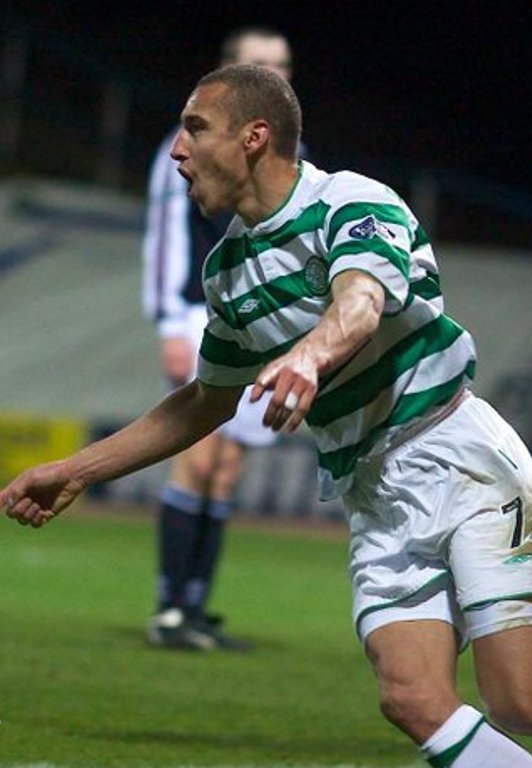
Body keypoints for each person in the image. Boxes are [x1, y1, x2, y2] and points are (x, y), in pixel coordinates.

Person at [3, 64, 532, 766]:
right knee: (411, 699)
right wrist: (77, 470)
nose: (177, 150)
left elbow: (360, 301)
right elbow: (206, 399)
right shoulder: (227, 273)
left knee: (523, 703)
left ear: (254, 136)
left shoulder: (350, 203)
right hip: (374, 495)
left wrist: (310, 357)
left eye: (195, 128)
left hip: (461, 462)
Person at [141, 26, 296, 650]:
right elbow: (165, 236)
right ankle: (169, 609)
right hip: (197, 313)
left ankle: (196, 606)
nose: (274, 74)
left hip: (257, 324)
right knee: (199, 457)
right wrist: (168, 321)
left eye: (281, 65)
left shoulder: (290, 151)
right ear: (230, 70)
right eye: (259, 63)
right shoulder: (187, 144)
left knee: (227, 470)